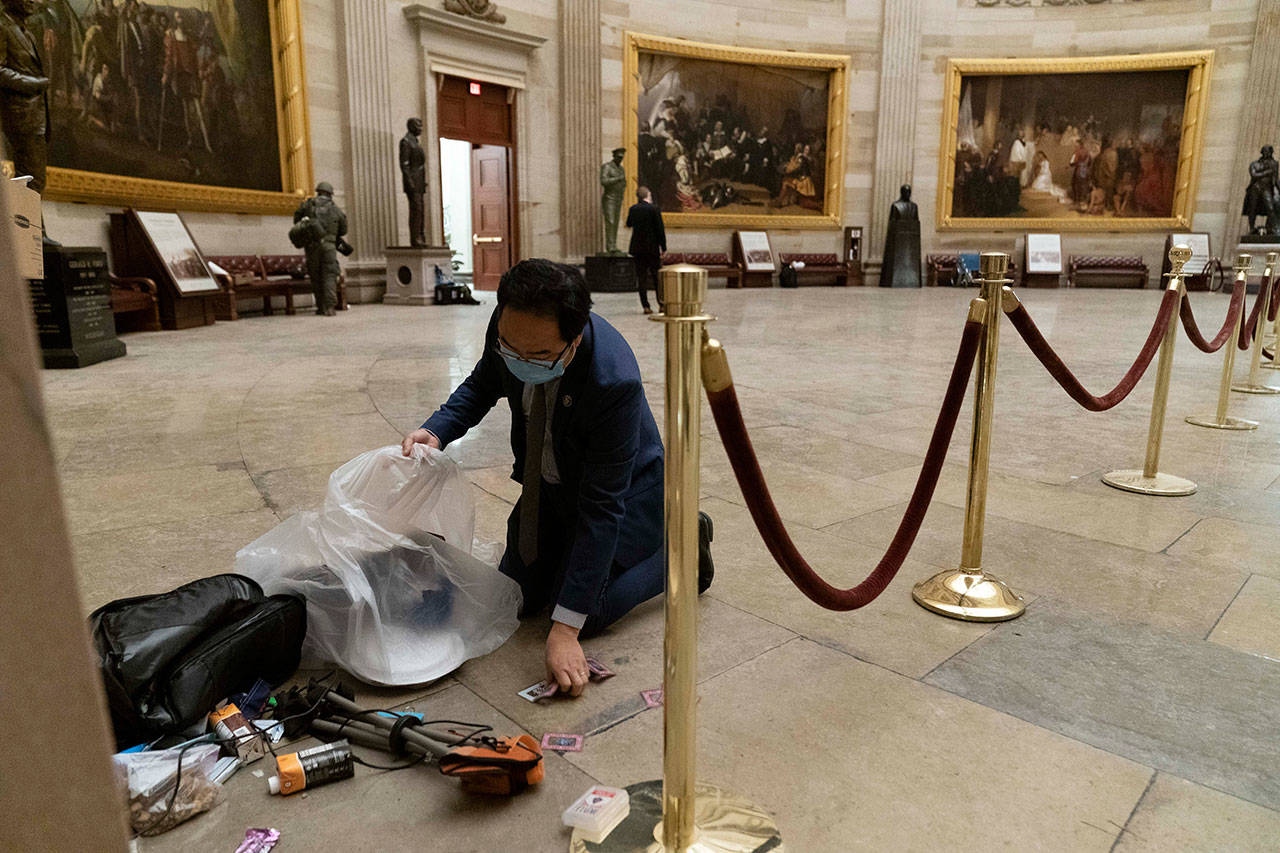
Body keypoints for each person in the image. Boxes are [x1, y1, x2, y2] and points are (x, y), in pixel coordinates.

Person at [400, 260, 713, 697]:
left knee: (589, 611)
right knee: (517, 594)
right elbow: (483, 382)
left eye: (541, 355)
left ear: (576, 337)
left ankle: (683, 548)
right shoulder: (513, 322)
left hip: (625, 496)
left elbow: (604, 508)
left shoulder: (613, 381)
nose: (522, 360)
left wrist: (566, 632)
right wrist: (437, 430)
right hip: (549, 486)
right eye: (512, 348)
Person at [293, 181, 348, 316]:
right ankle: (330, 307)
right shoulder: (336, 209)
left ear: (318, 192)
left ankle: (320, 306)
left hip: (312, 247)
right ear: (330, 194)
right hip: (329, 247)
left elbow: (296, 221)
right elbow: (344, 230)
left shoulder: (307, 205)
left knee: (315, 276)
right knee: (329, 275)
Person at [625, 186, 666, 314]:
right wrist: (663, 247)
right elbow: (660, 229)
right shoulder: (654, 209)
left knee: (641, 278)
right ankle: (662, 305)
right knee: (656, 277)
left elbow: (629, 223)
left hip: (637, 248)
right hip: (652, 248)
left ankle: (646, 306)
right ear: (648, 195)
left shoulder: (633, 209)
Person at [400, 117, 427, 247]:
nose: (421, 129)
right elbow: (404, 165)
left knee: (421, 210)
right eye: (418, 126)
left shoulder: (415, 142)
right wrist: (410, 182)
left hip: (419, 182)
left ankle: (421, 235)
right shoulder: (406, 142)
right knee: (416, 210)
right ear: (411, 127)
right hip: (413, 183)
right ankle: (415, 238)